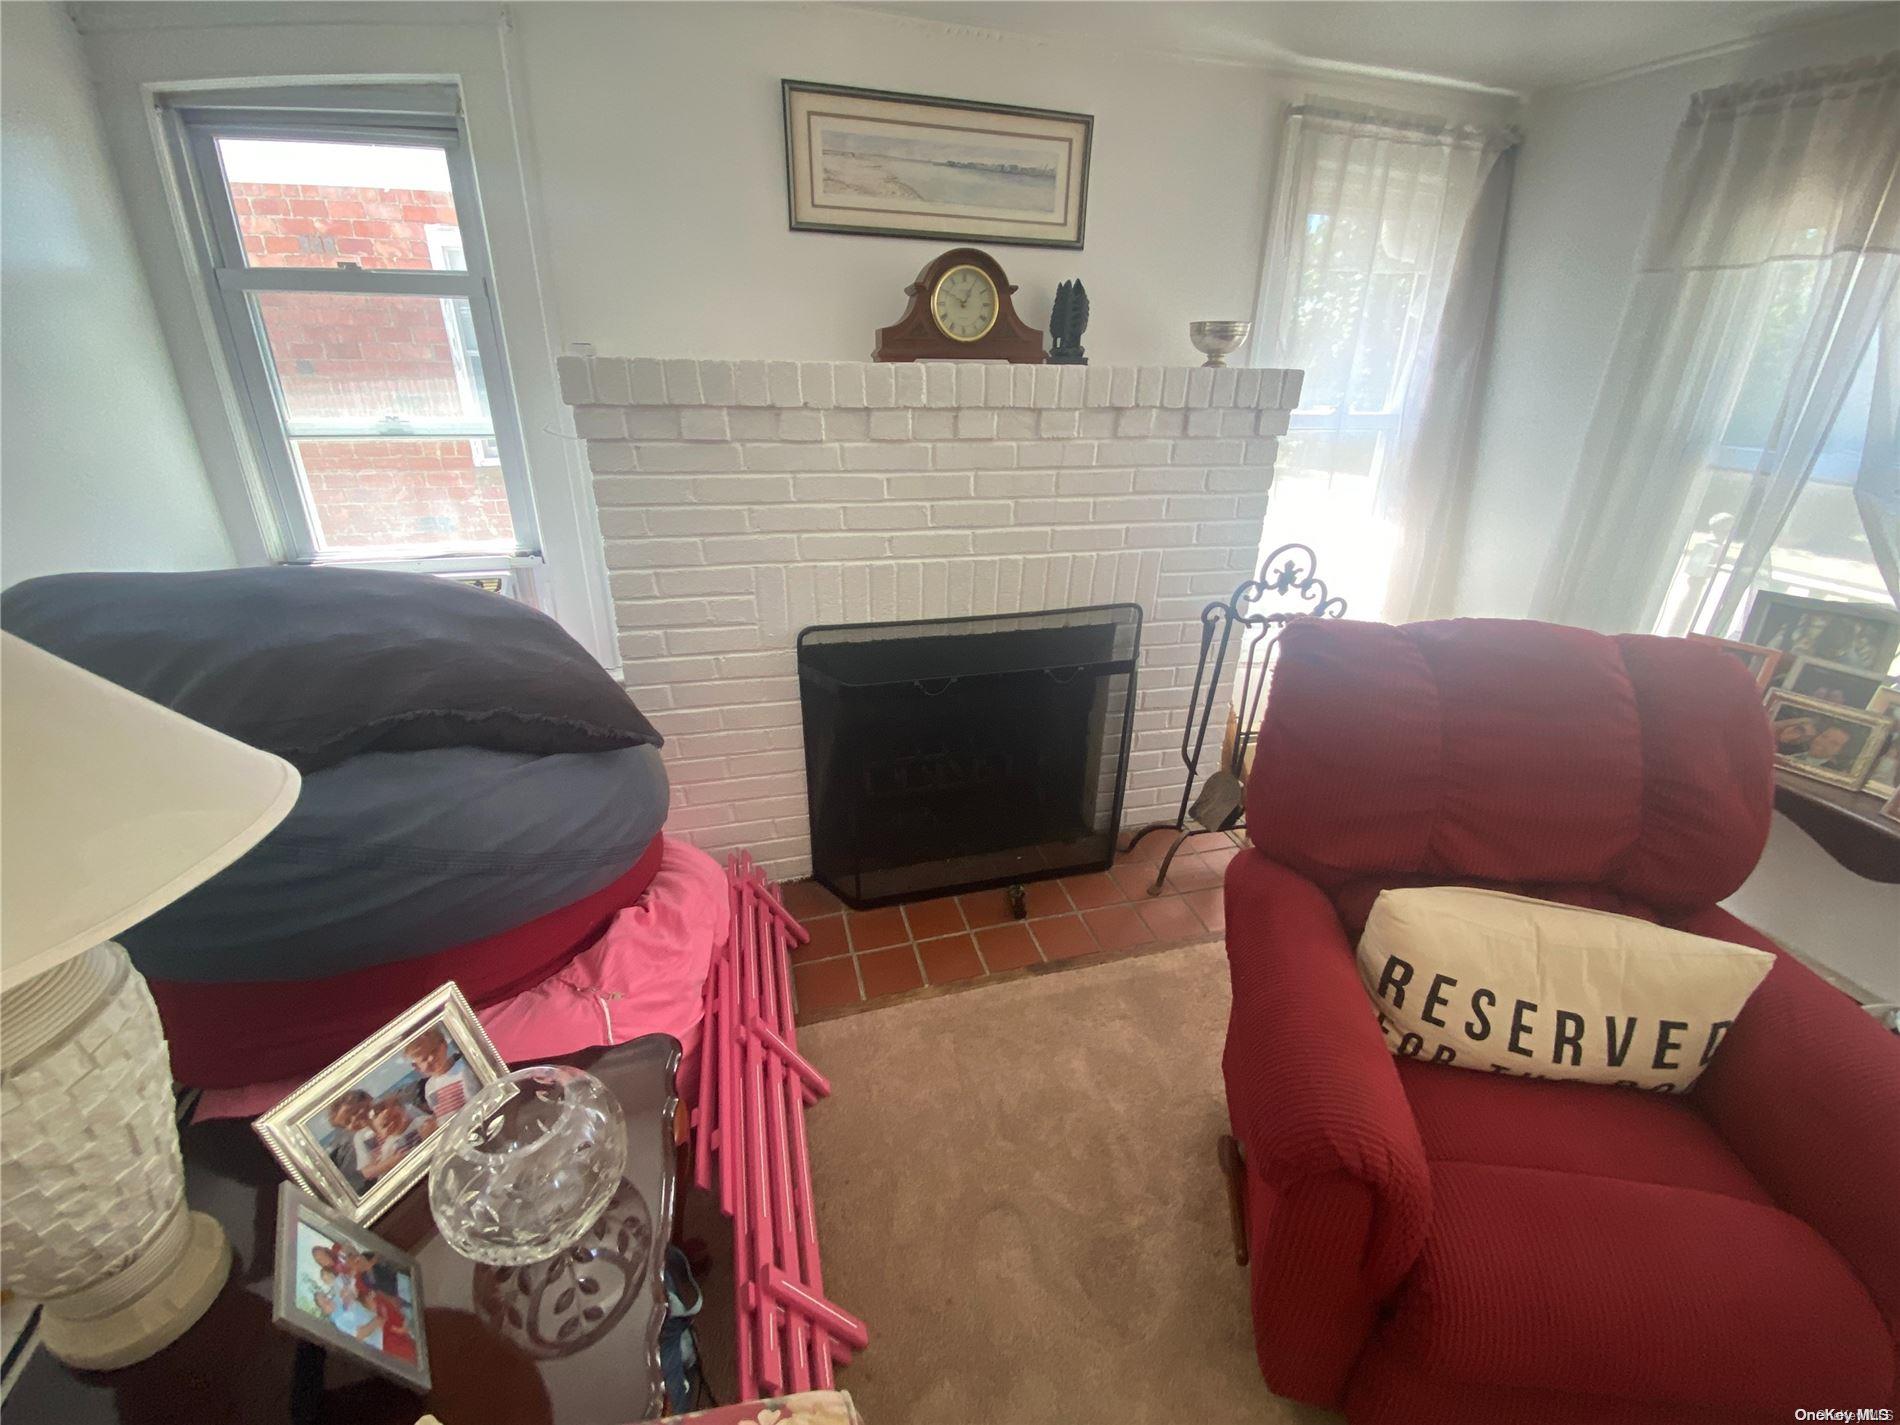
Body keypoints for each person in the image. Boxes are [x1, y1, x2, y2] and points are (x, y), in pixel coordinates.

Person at [405, 1026, 479, 1118]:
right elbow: (439, 1115)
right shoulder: (429, 1087)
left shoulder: (465, 1069)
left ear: (444, 1044)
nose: (431, 1058)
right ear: (417, 1067)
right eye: (424, 1059)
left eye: (434, 1050)